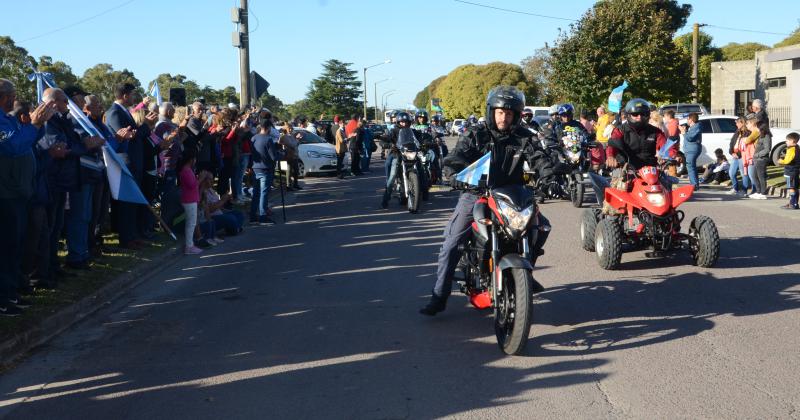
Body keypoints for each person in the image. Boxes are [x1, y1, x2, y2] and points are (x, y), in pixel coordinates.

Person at [419, 86, 550, 316]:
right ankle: (439, 295)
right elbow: (456, 156)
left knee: (542, 226)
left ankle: (525, 275)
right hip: (476, 193)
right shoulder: (476, 134)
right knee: (451, 244)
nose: (504, 117)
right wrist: (453, 172)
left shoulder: (525, 137)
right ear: (491, 112)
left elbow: (540, 158)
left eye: (509, 113)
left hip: (512, 195)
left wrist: (550, 175)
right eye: (500, 112)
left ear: (517, 115)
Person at [0, 79, 56, 314]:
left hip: (20, 192)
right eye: (12, 94)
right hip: (6, 193)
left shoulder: (10, 118)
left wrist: (39, 123)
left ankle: (12, 293)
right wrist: (34, 124)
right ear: (4, 96)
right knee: (6, 247)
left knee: (16, 246)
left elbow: (28, 139)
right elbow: (13, 147)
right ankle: (3, 299)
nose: (15, 98)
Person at [590, 98, 671, 205]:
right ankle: (612, 219)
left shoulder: (656, 132)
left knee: (669, 195)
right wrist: (610, 157)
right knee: (614, 204)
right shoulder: (620, 130)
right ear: (628, 115)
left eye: (643, 114)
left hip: (651, 172)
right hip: (625, 170)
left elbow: (666, 147)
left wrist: (672, 155)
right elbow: (611, 146)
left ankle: (671, 219)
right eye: (635, 114)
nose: (639, 117)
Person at [380, 111, 415, 208]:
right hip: (397, 154)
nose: (404, 124)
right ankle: (386, 198)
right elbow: (386, 139)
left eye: (406, 122)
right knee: (392, 176)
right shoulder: (394, 131)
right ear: (398, 122)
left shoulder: (411, 131)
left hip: (409, 154)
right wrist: (388, 144)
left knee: (420, 167)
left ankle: (422, 189)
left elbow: (419, 138)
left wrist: (425, 141)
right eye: (402, 122)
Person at [250, 117, 281, 224]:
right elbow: (273, 157)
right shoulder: (268, 139)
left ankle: (253, 216)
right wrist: (280, 154)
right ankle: (263, 216)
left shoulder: (253, 138)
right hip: (265, 168)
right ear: (268, 128)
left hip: (255, 168)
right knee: (263, 193)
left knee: (256, 193)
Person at [178, 148, 202, 254]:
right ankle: (189, 246)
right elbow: (192, 185)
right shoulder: (186, 171)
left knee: (191, 222)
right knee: (191, 223)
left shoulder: (188, 170)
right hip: (189, 200)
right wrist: (200, 178)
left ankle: (190, 244)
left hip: (191, 199)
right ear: (191, 159)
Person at [747, 116, 772, 200]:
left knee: (761, 176)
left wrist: (757, 155)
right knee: (754, 175)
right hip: (757, 159)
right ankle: (758, 191)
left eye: (757, 127)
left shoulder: (766, 136)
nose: (756, 128)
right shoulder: (761, 135)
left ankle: (763, 193)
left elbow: (767, 149)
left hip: (762, 159)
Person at [727, 117, 751, 196]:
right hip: (735, 155)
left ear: (742, 123)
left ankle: (744, 190)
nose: (736, 124)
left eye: (737, 122)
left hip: (742, 156)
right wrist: (731, 152)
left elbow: (745, 146)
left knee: (743, 173)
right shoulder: (737, 131)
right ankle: (735, 188)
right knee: (731, 173)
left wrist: (739, 154)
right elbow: (732, 142)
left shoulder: (747, 132)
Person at [681, 112, 702, 191]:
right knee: (692, 167)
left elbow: (690, 138)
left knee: (690, 167)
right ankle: (695, 184)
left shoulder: (696, 127)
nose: (687, 120)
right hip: (690, 149)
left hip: (692, 149)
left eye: (688, 119)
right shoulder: (693, 127)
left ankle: (694, 185)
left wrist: (683, 132)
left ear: (691, 120)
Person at [778, 132, 799, 209]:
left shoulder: (791, 150)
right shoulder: (797, 147)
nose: (786, 142)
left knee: (791, 187)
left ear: (793, 141)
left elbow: (787, 161)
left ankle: (793, 204)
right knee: (794, 187)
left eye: (787, 140)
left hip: (791, 171)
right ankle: (794, 203)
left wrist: (781, 161)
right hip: (794, 171)